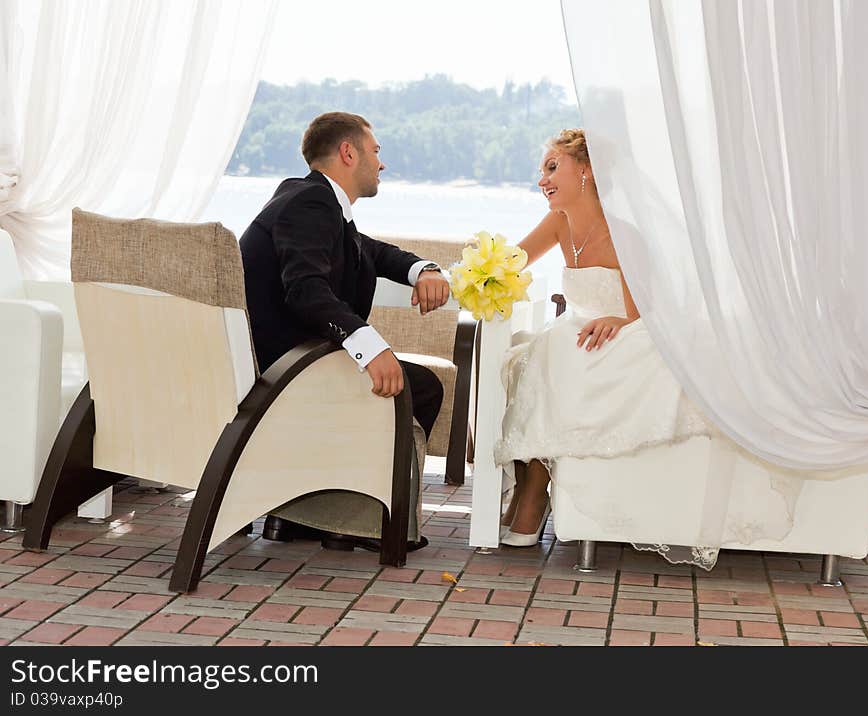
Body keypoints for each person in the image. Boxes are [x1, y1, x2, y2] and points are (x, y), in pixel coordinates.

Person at [239, 111, 449, 551]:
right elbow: (306, 290)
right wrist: (369, 347)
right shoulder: (310, 204)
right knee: (423, 387)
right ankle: (356, 521)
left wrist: (423, 269)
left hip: (281, 360)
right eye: (376, 152)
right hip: (288, 371)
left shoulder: (309, 200)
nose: (382, 164)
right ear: (348, 152)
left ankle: (298, 517)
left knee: (418, 383)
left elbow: (369, 250)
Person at [494, 129, 710, 547]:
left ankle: (535, 494)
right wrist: (471, 274)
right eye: (541, 170)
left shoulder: (624, 230)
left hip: (631, 333)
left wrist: (619, 320)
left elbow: (644, 309)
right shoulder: (560, 221)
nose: (543, 179)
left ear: (587, 172)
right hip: (583, 332)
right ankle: (527, 488)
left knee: (555, 347)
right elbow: (510, 263)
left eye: (553, 167)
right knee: (532, 351)